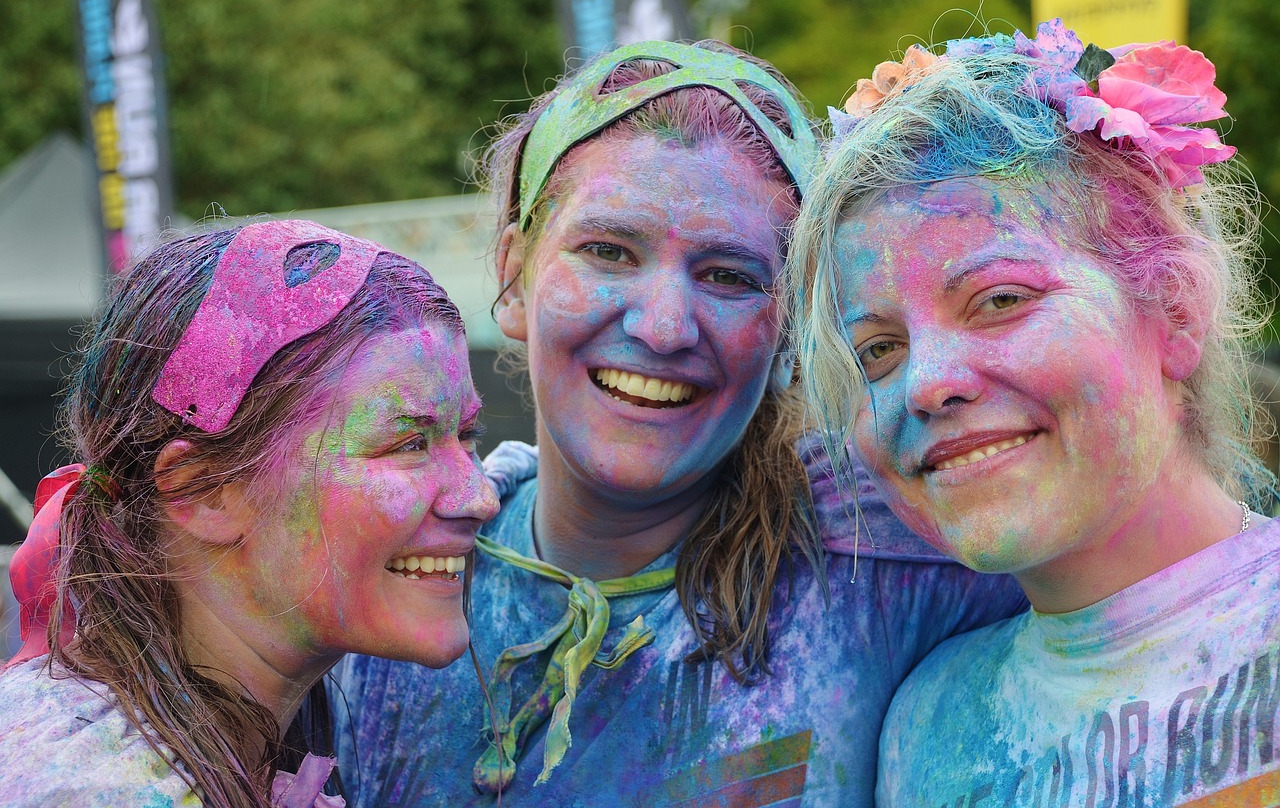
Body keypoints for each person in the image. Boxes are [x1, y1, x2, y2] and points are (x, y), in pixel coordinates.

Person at [334, 40, 1026, 806]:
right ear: (512, 272)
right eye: (608, 252)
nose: (665, 327)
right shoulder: (387, 582)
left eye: (729, 275)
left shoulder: (895, 559)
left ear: (791, 325)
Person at [788, 18, 1280, 805]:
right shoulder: (926, 727)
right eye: (877, 350)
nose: (925, 384)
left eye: (1000, 299)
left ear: (1175, 311)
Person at [0, 220, 499, 807]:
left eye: (467, 435)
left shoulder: (227, 747)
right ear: (203, 489)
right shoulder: (94, 791)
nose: (480, 497)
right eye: (407, 444)